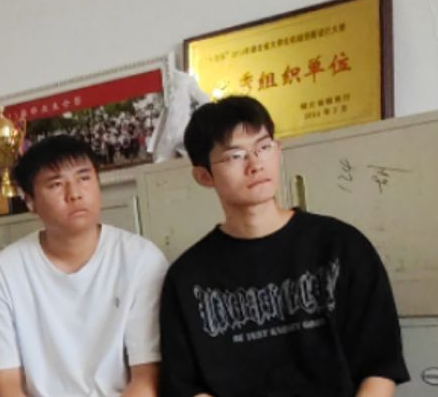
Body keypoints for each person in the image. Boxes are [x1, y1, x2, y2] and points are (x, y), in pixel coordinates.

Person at [158, 96, 408, 397]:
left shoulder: (340, 247)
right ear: (204, 176)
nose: (255, 164)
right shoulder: (187, 278)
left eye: (263, 147)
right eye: (235, 156)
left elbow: (379, 366)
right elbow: (185, 387)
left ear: (278, 150)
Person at [0, 134, 166, 397]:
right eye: (56, 184)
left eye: (84, 178)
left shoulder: (141, 259)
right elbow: (5, 385)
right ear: (30, 201)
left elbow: (145, 380)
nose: (74, 194)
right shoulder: (5, 272)